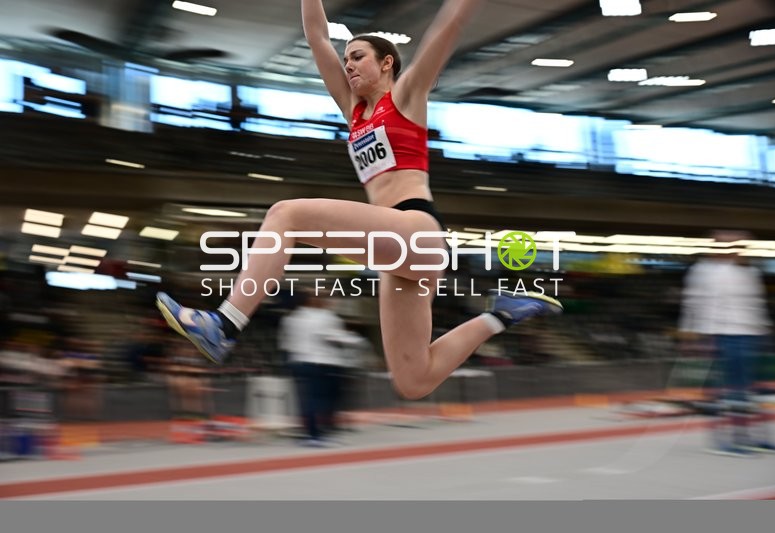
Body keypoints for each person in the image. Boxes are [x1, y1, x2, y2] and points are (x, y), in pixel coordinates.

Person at [156, 0, 562, 400]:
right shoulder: (354, 111)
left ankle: (224, 324)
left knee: (286, 215)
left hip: (416, 229)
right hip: (395, 251)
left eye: (357, 57)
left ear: (386, 63)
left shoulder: (406, 95)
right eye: (345, 58)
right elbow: (316, 35)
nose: (347, 65)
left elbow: (447, 27)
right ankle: (502, 314)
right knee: (413, 380)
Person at [679, 229, 775, 456]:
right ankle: (727, 439)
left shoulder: (750, 271)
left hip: (751, 333)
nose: (738, 251)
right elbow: (693, 303)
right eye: (731, 246)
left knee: (754, 391)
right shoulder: (703, 271)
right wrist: (689, 334)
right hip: (721, 334)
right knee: (731, 390)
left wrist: (764, 330)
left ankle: (759, 438)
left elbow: (756, 304)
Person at [279, 291, 361, 445]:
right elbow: (333, 337)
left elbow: (285, 343)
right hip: (322, 363)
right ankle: (318, 433)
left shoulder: (291, 319)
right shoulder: (326, 317)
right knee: (323, 399)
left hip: (298, 362)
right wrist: (354, 339)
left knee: (307, 400)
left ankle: (310, 432)